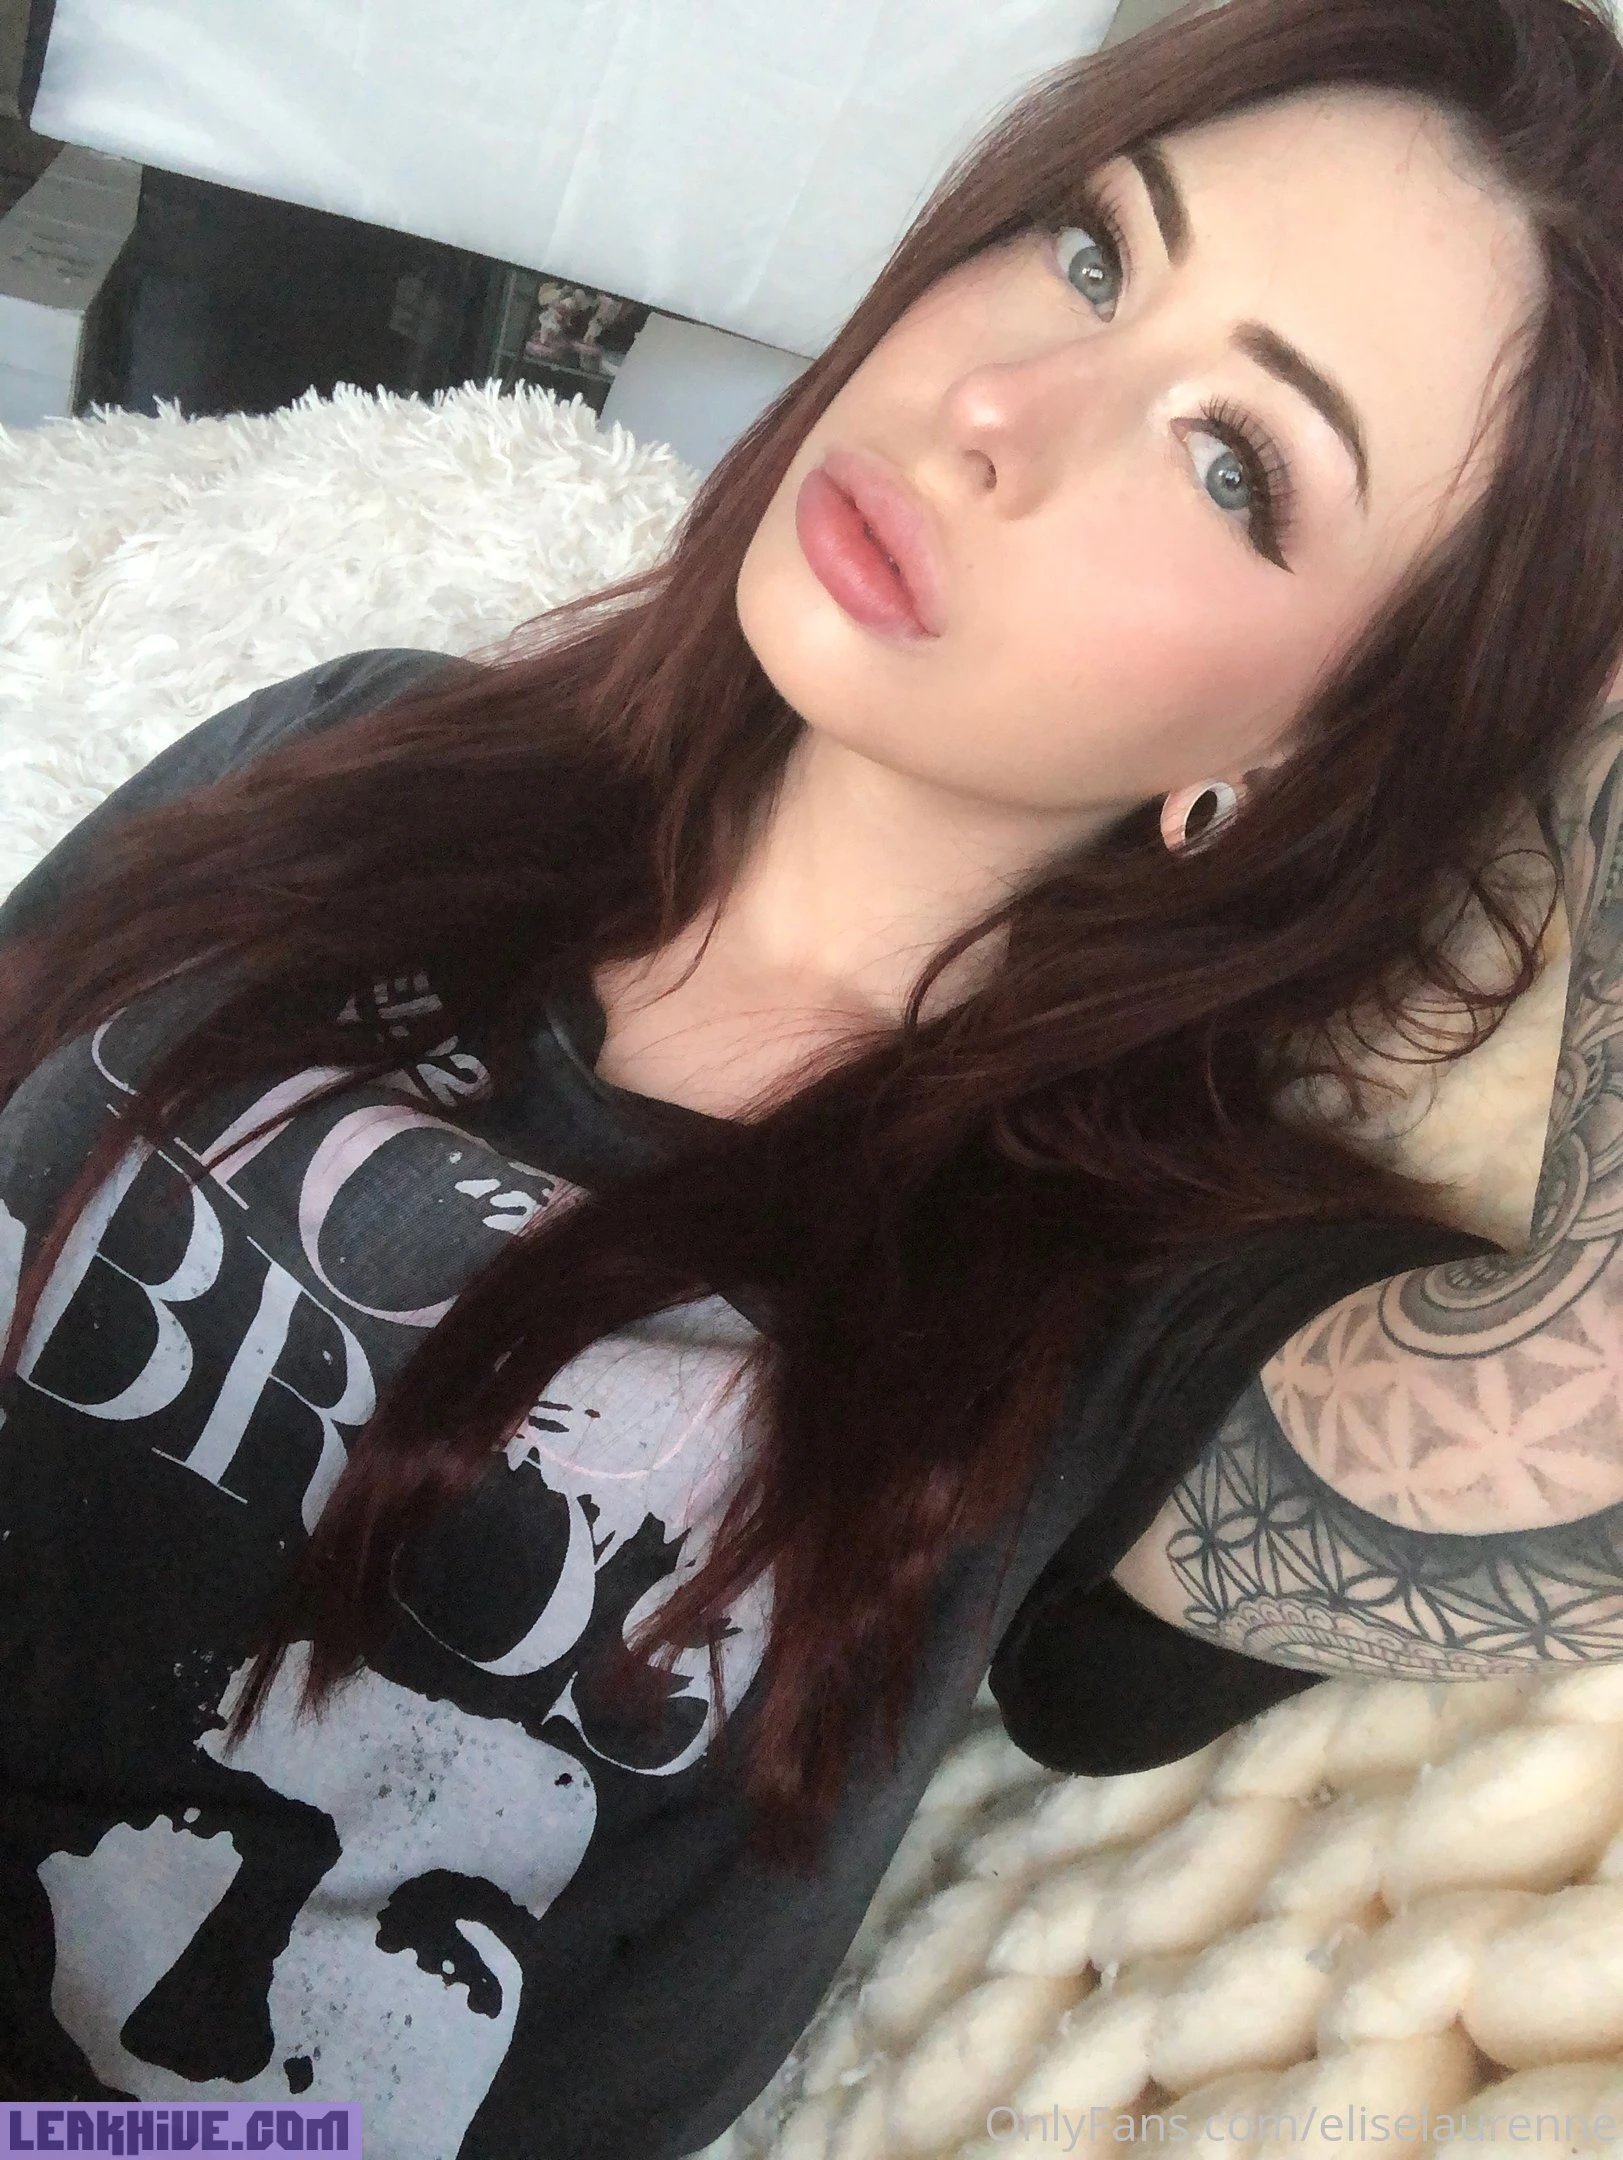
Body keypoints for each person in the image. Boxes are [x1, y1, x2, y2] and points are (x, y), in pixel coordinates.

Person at [2, 0, 1623, 2151]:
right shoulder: (348, 754)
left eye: (1231, 461)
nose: (997, 409)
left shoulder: (1121, 1318)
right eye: (1087, 252)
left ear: (1323, 740)